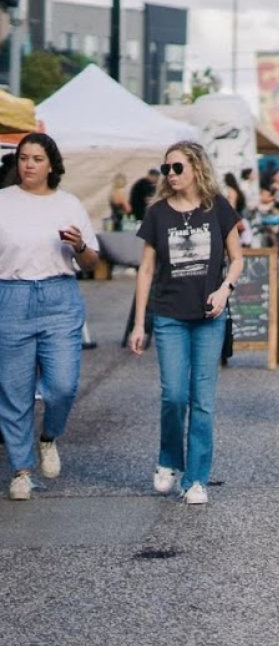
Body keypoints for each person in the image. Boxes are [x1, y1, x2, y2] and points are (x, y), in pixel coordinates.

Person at [128, 142, 242, 505]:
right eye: (166, 169)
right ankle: (168, 460)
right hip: (169, 316)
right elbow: (146, 269)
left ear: (196, 168)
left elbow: (236, 259)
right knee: (174, 395)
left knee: (203, 400)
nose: (171, 175)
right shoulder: (158, 214)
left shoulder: (218, 209)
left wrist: (225, 289)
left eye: (177, 167)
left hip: (209, 317)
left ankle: (196, 479)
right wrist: (138, 324)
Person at [0, 133, 100, 501]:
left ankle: (48, 436)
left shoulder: (68, 204)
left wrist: (79, 246)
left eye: (37, 159)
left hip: (59, 297)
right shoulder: (3, 202)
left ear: (51, 165)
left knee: (62, 386)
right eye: (23, 158)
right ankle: (21, 471)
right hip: (11, 296)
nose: (28, 164)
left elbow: (92, 262)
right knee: (14, 392)